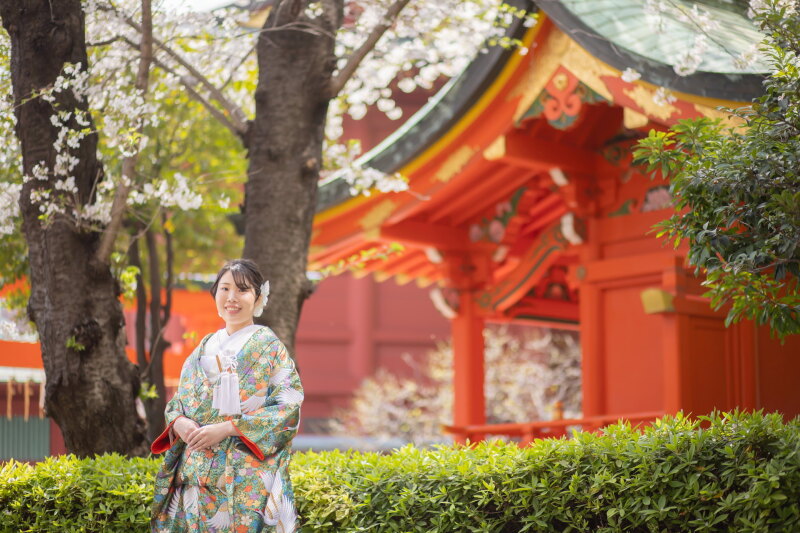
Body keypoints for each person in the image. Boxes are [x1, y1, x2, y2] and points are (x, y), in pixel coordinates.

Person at [151, 259, 303, 532]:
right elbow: (179, 403)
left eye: (242, 290)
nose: (232, 298)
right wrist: (180, 423)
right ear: (215, 294)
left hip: (244, 483)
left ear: (258, 297)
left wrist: (228, 428)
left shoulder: (269, 347)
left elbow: (287, 406)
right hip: (195, 478)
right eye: (224, 289)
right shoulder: (204, 346)